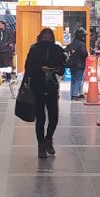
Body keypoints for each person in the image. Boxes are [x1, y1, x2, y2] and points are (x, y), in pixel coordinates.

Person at [24, 28, 67, 159]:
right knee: (40, 118)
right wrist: (40, 69)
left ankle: (49, 139)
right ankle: (41, 145)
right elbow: (28, 68)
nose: (47, 40)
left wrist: (56, 69)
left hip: (52, 86)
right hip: (37, 87)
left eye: (49, 37)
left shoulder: (57, 50)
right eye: (45, 37)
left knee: (54, 116)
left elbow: (62, 70)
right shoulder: (34, 50)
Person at [66, 28, 88, 100]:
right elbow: (84, 54)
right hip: (79, 64)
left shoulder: (72, 43)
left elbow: (66, 50)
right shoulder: (81, 44)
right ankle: (75, 95)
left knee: (73, 80)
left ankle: (72, 94)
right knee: (78, 79)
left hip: (72, 64)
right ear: (81, 36)